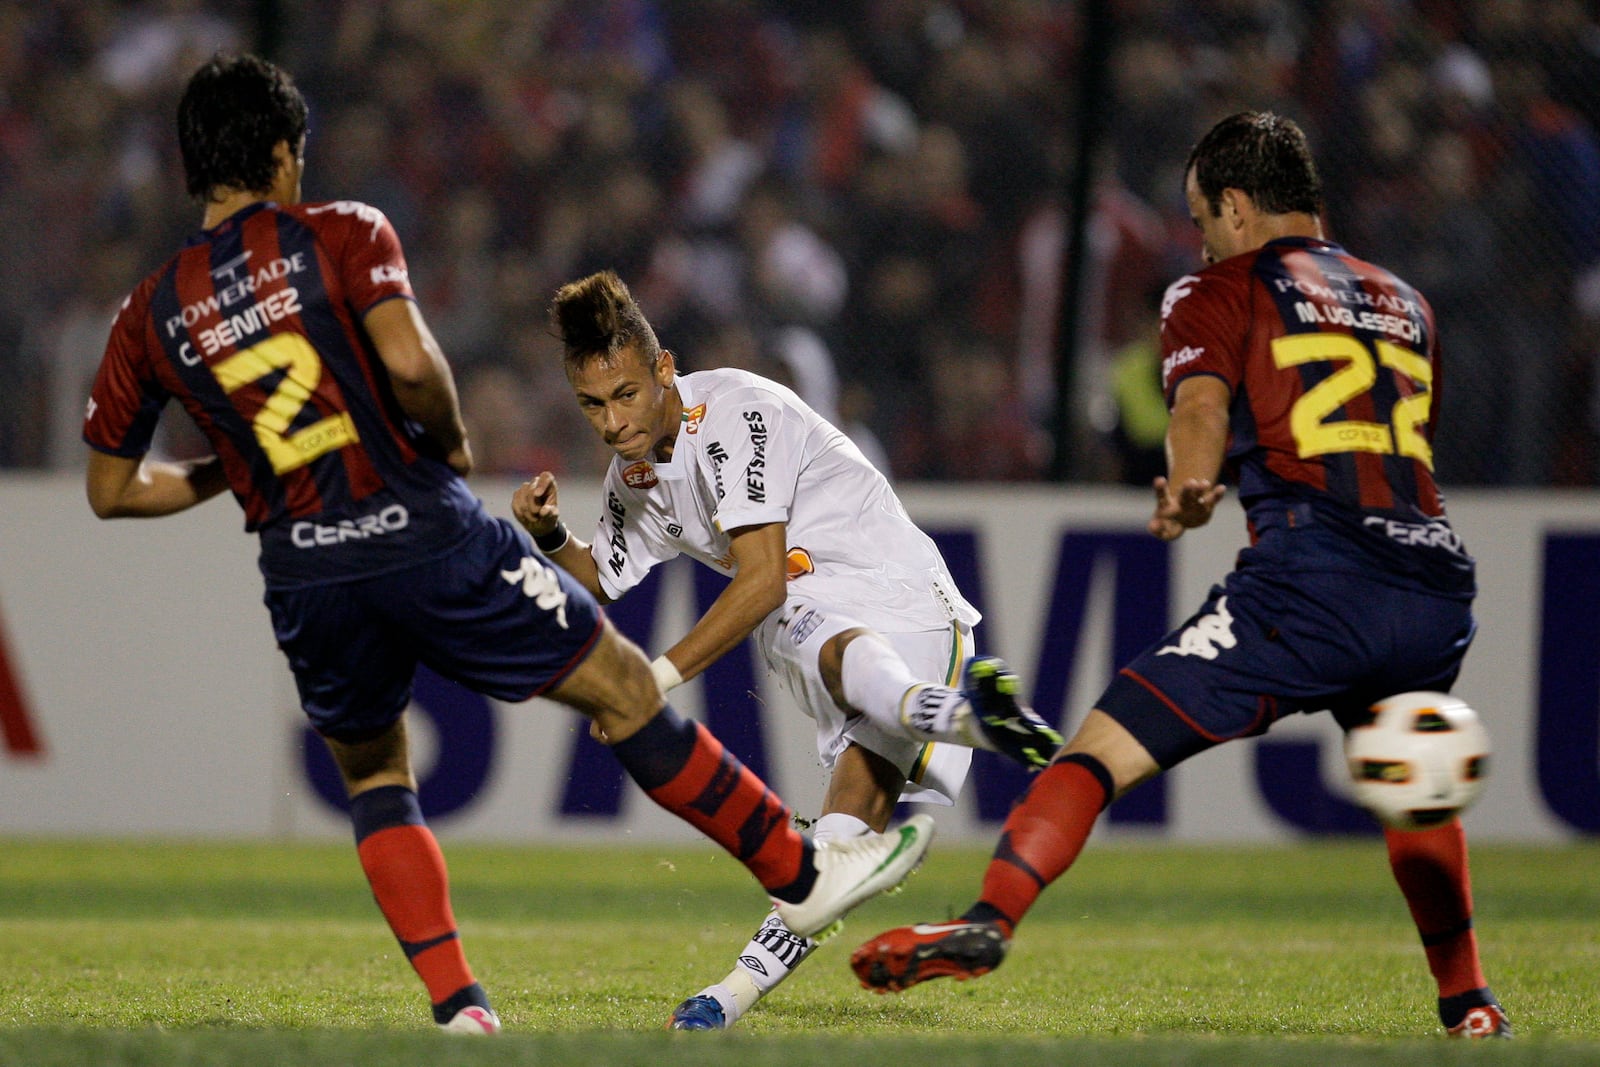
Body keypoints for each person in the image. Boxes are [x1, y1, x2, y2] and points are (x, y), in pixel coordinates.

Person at [81, 52, 937, 1036]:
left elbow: (110, 489)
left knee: (372, 773)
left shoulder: (146, 312)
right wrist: (447, 441)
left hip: (303, 568)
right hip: (418, 526)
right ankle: (802, 869)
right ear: (282, 152)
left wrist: (220, 469)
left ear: (194, 163)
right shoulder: (341, 232)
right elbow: (408, 359)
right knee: (621, 690)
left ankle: (459, 1008)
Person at [850, 111, 1511, 1040]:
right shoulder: (1406, 301)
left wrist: (1191, 484)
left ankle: (987, 918)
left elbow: (1201, 404)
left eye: (1203, 219)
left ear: (1237, 209)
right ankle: (1470, 1002)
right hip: (1435, 582)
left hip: (1309, 583)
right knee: (1416, 784)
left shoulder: (1215, 289)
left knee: (1096, 751)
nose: (1200, 238)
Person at [511, 269, 1062, 1030]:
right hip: (857, 642)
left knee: (785, 613)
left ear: (664, 367)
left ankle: (949, 713)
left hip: (887, 591)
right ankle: (727, 999)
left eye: (626, 394)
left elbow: (764, 580)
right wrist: (547, 533)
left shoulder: (738, 410)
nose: (611, 421)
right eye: (592, 404)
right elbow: (599, 578)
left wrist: (652, 680)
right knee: (832, 858)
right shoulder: (633, 473)